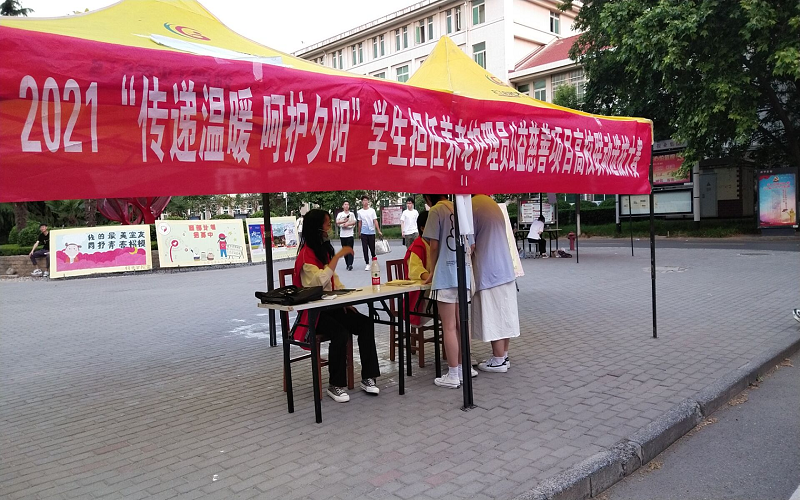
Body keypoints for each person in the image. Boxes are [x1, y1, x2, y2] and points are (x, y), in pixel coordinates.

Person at [293, 209, 381, 403]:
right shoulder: (305, 257)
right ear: (318, 228)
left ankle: (369, 377)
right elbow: (318, 282)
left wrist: (346, 300)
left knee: (365, 324)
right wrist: (336, 258)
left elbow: (334, 280)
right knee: (340, 333)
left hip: (332, 306)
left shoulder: (321, 250)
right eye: (327, 225)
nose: (329, 228)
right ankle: (335, 385)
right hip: (314, 313)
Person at [422, 194, 473, 388]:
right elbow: (471, 244)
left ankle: (452, 374)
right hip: (463, 273)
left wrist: (432, 270)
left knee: (449, 326)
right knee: (462, 325)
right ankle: (463, 368)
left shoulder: (436, 211)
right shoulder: (460, 207)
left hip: (445, 274)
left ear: (429, 197)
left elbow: (434, 245)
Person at [471, 194, 520, 373]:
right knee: (504, 314)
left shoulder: (472, 206)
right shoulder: (491, 203)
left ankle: (498, 360)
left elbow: (470, 245)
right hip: (505, 268)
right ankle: (503, 355)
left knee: (495, 315)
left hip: (489, 270)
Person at [403, 212, 431, 326]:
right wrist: (434, 277)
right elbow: (415, 271)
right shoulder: (417, 246)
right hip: (419, 295)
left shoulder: (435, 243)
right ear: (422, 228)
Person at [357, 195, 382, 271]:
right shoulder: (360, 212)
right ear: (362, 202)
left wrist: (378, 230)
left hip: (371, 232)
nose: (365, 202)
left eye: (366, 200)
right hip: (364, 233)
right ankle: (367, 263)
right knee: (365, 249)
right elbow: (360, 223)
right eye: (364, 200)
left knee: (372, 249)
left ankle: (374, 261)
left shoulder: (372, 211)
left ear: (368, 202)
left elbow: (375, 221)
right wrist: (359, 232)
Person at [335, 201, 357, 270]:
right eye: (345, 204)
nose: (346, 206)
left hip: (350, 235)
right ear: (343, 206)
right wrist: (344, 222)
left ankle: (350, 264)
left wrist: (348, 224)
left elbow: (354, 221)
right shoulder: (340, 214)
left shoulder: (352, 214)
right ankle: (347, 264)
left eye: (348, 204)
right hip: (343, 235)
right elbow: (337, 222)